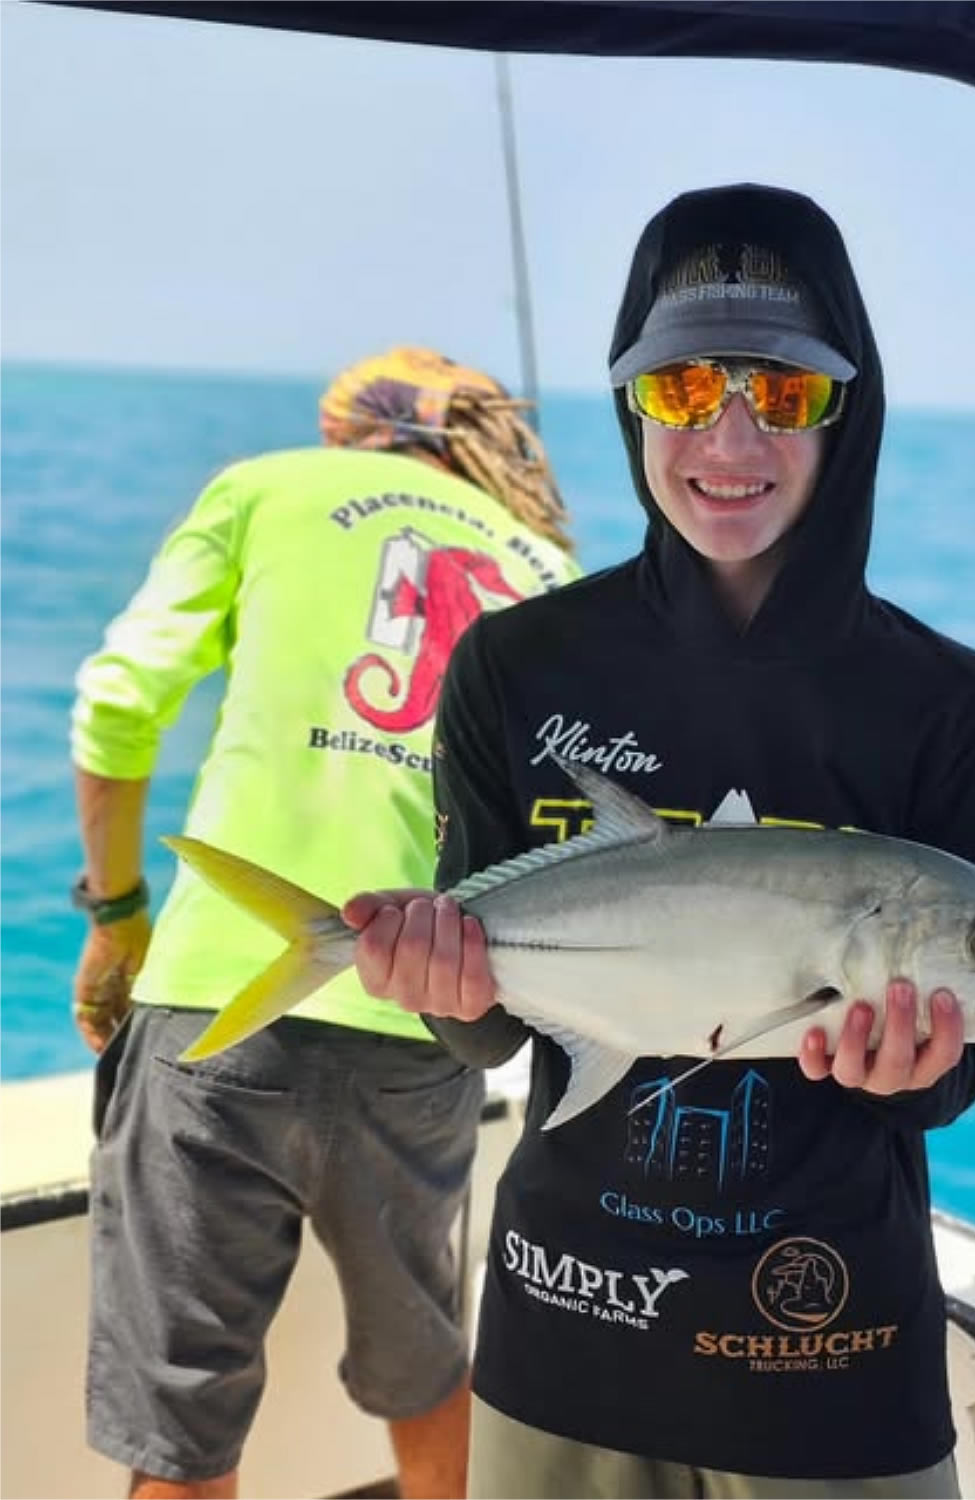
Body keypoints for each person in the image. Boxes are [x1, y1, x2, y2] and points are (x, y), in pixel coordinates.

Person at [344, 187, 975, 1499]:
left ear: (847, 406)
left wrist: (925, 1066)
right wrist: (440, 989)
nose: (727, 435)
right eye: (681, 390)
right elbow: (489, 1030)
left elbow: (957, 1068)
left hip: (833, 1351)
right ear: (630, 401)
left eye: (780, 394)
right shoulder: (515, 663)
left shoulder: (950, 705)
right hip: (564, 1326)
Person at [69, 346, 579, 1500]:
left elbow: (114, 706)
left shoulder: (267, 485)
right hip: (431, 1018)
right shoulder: (550, 566)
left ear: (350, 433)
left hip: (223, 997)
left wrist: (117, 916)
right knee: (426, 1366)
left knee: (183, 1430)